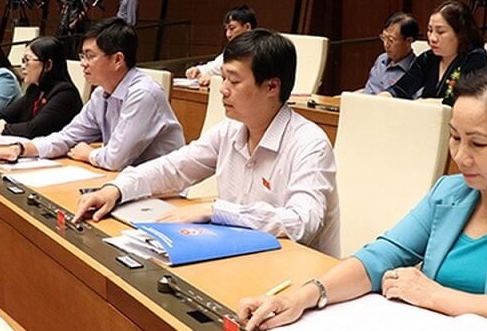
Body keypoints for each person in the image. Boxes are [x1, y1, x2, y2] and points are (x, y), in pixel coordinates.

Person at [238, 66, 487, 331]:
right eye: (455, 137)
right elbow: (381, 256)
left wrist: (431, 295)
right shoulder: (450, 193)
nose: (461, 156)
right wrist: (304, 296)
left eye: (478, 143)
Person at [74, 29, 340, 256]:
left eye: (234, 81)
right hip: (238, 256)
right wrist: (116, 189)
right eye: (223, 78)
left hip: (296, 270)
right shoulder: (230, 130)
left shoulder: (309, 143)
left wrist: (216, 211)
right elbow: (174, 167)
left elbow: (302, 222)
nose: (222, 89)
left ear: (272, 87)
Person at [0, 18, 184, 171]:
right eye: (82, 56)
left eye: (90, 56)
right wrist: (20, 148)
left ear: (118, 60)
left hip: (163, 193)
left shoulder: (143, 94)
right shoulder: (101, 94)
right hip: (124, 181)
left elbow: (116, 159)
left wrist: (89, 154)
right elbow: (68, 137)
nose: (83, 63)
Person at [383, 0, 487, 105]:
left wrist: (426, 103)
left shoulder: (475, 58)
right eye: (430, 30)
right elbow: (401, 88)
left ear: (460, 33)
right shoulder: (428, 58)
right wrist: (385, 96)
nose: (432, 38)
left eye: (440, 32)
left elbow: (462, 99)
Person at [185, 5, 257, 87]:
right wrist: (199, 70)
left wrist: (217, 80)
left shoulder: (259, 49)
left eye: (232, 28)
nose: (228, 34)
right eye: (226, 29)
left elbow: (247, 79)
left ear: (247, 27)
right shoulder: (233, 49)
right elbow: (216, 67)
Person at [362, 12, 418, 95]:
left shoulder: (416, 70)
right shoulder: (381, 60)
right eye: (384, 37)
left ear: (408, 41)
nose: (386, 44)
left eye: (391, 40)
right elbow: (368, 90)